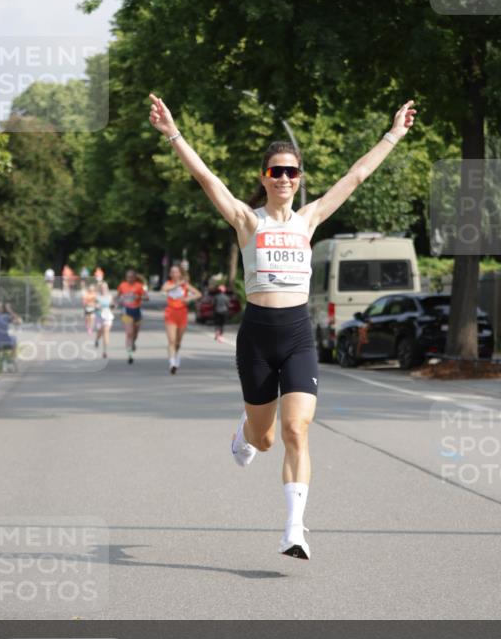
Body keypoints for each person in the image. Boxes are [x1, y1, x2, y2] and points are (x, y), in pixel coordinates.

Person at [149, 92, 416, 561]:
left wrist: (393, 134)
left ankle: (294, 529)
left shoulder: (309, 220)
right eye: (278, 171)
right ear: (265, 177)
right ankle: (244, 431)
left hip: (296, 335)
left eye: (293, 172)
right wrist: (173, 132)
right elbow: (204, 176)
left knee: (297, 430)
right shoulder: (245, 221)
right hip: (256, 336)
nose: (286, 179)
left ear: (299, 180)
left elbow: (356, 176)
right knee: (265, 439)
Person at [162, 265, 201, 374]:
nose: (174, 274)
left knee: (178, 342)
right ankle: (172, 363)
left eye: (176, 272)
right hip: (170, 313)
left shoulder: (185, 285)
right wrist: (177, 284)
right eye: (172, 272)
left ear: (180, 273)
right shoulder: (168, 283)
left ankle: (177, 355)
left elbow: (198, 294)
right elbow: (164, 289)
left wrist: (188, 298)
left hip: (182, 314)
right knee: (171, 340)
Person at [116, 268, 149, 364]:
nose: (129, 279)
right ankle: (130, 355)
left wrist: (139, 297)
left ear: (135, 278)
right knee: (129, 333)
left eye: (131, 277)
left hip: (137, 311)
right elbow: (118, 296)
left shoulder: (139, 286)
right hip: (126, 311)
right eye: (128, 277)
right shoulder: (122, 285)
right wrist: (114, 302)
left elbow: (147, 297)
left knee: (135, 333)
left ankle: (133, 343)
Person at [0, 300, 21, 370]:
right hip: (6, 343)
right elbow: (18, 321)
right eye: (2, 308)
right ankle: (13, 359)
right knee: (14, 338)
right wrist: (9, 310)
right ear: (1, 309)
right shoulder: (5, 317)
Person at [94, 281, 114, 358]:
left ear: (107, 288)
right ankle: (97, 340)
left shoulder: (110, 296)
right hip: (99, 317)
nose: (103, 289)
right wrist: (97, 306)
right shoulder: (97, 296)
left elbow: (112, 306)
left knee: (106, 332)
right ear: (100, 289)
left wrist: (112, 307)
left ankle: (105, 351)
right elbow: (94, 305)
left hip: (108, 316)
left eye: (105, 287)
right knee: (100, 332)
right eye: (102, 288)